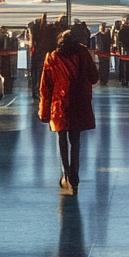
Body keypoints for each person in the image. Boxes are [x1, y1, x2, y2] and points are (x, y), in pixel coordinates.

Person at [39, 30, 99, 195]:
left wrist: (44, 111)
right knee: (76, 140)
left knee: (61, 139)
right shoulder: (82, 54)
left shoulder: (51, 57)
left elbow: (45, 87)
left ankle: (66, 174)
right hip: (79, 102)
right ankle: (75, 174)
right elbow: (94, 77)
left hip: (60, 104)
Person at [28, 13, 56, 99]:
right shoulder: (47, 32)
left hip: (38, 55)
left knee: (36, 74)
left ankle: (36, 91)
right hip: (42, 55)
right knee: (40, 74)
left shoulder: (36, 31)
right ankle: (38, 91)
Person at [0, 25, 19, 95]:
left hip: (5, 59)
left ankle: (7, 90)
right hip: (6, 59)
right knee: (7, 75)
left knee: (7, 74)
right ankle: (7, 90)